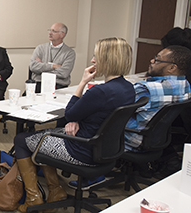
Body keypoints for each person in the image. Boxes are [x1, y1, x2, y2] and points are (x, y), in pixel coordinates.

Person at [12, 37, 135, 212]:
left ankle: (33, 198)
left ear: (108, 60)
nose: (92, 60)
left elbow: (70, 113)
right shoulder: (127, 88)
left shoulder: (100, 91)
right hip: (107, 150)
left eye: (96, 56)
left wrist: (83, 82)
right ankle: (56, 192)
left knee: (21, 139)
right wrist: (77, 119)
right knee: (48, 134)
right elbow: (96, 114)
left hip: (81, 150)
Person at [71, 45, 191, 190]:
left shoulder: (146, 89)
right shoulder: (185, 85)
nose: (152, 61)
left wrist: (75, 116)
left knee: (87, 121)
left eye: (157, 60)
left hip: (129, 139)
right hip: (155, 139)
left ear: (172, 68)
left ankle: (91, 172)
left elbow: (112, 106)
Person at [29, 23, 76, 92]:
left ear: (62, 34)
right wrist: (53, 66)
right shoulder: (40, 48)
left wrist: (41, 69)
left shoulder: (69, 53)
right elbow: (33, 67)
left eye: (54, 31)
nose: (50, 33)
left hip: (58, 86)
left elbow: (64, 73)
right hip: (39, 84)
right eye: (50, 30)